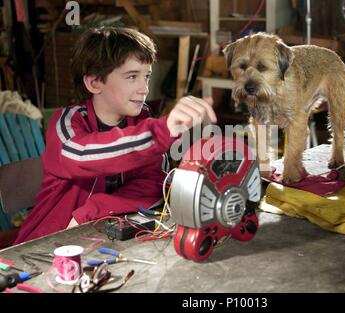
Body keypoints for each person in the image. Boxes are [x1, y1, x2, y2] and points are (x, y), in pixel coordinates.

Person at [14, 27, 216, 244]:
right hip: (46, 242)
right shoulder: (67, 122)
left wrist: (94, 210)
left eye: (146, 76)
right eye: (132, 77)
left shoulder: (142, 118)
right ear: (94, 83)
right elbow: (84, 156)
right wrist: (162, 130)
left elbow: (155, 182)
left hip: (102, 233)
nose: (144, 88)